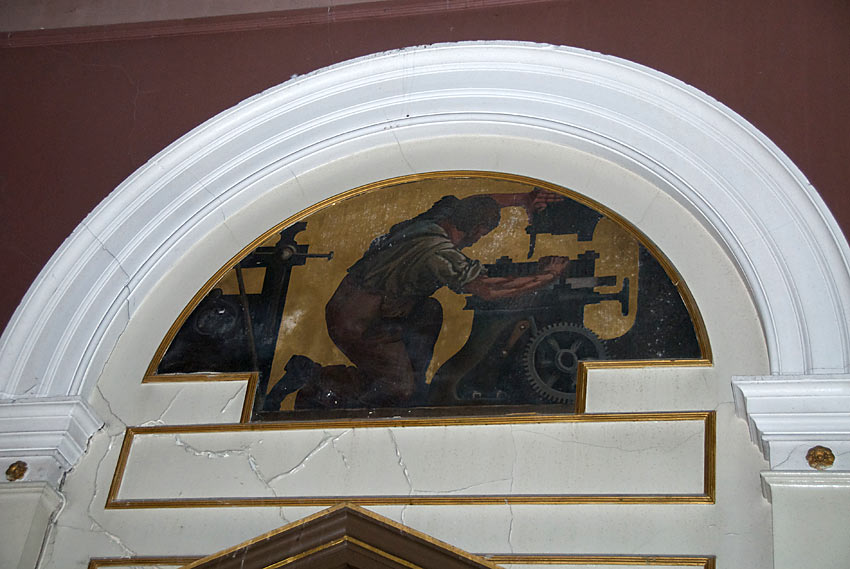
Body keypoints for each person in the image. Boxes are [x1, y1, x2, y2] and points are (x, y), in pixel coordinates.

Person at [262, 188, 568, 411]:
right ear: (478, 230)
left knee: (429, 310)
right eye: (483, 234)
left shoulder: (438, 217)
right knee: (399, 390)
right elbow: (486, 289)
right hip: (357, 321)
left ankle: (410, 382)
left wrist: (523, 198)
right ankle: (315, 377)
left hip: (375, 306)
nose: (479, 240)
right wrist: (546, 277)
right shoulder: (436, 252)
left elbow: (473, 202)